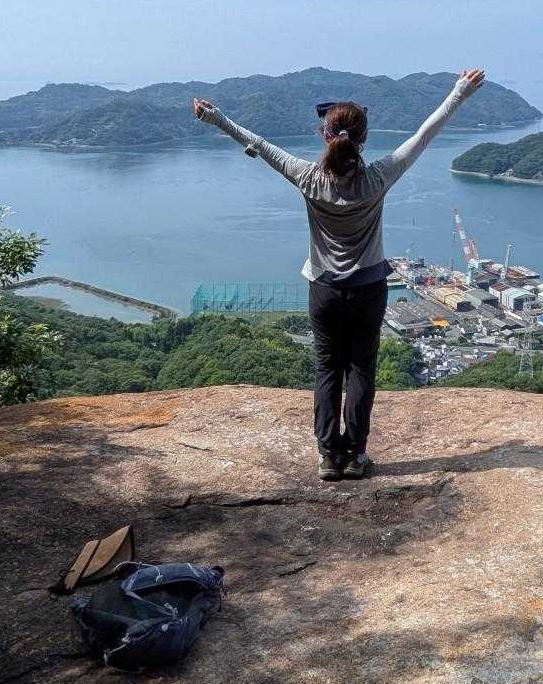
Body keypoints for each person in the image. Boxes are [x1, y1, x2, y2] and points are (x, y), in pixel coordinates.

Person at [193, 69, 486, 478]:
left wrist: (216, 118)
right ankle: (356, 455)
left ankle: (329, 455)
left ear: (324, 136)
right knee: (361, 369)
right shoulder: (378, 177)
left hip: (325, 290)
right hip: (368, 289)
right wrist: (459, 92)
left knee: (327, 368)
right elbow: (424, 135)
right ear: (362, 140)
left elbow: (258, 144)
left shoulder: (308, 177)